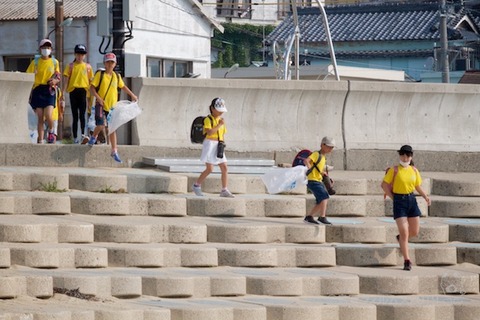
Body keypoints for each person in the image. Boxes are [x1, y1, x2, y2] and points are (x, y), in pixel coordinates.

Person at [381, 145, 431, 271]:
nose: (405, 157)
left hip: (411, 200)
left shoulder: (414, 170)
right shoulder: (394, 170)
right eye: (403, 155)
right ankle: (407, 261)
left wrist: (425, 196)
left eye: (407, 155)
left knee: (414, 231)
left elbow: (417, 185)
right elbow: (384, 185)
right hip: (399, 200)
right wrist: (393, 198)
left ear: (411, 156)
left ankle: (400, 239)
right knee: (404, 232)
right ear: (400, 155)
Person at [89, 52, 137, 163]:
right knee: (100, 125)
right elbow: (92, 88)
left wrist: (132, 95)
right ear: (105, 63)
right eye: (108, 62)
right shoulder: (100, 75)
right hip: (101, 104)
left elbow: (123, 86)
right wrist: (98, 98)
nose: (110, 64)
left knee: (112, 128)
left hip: (112, 107)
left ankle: (114, 150)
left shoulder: (116, 76)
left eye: (112, 62)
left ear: (115, 64)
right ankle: (94, 136)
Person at [192, 97, 234, 198]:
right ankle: (196, 185)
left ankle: (224, 189)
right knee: (210, 168)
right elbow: (209, 132)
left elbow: (223, 133)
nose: (221, 113)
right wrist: (219, 125)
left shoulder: (221, 121)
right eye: (219, 111)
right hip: (210, 144)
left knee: (224, 167)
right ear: (212, 108)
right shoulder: (208, 119)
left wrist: (222, 143)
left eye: (222, 111)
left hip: (218, 144)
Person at [26, 38, 61, 144]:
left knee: (49, 114)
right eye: (44, 47)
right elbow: (28, 75)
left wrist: (54, 81)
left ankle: (51, 130)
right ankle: (41, 140)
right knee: (40, 117)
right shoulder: (35, 62)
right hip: (38, 90)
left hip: (49, 90)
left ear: (51, 49)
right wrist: (34, 74)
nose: (46, 49)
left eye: (48, 47)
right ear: (40, 49)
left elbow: (58, 76)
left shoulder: (54, 62)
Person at [63, 44, 94, 144]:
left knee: (82, 115)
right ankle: (75, 137)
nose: (80, 56)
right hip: (73, 91)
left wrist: (91, 95)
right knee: (75, 116)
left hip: (84, 91)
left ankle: (83, 135)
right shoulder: (70, 66)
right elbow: (66, 79)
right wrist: (63, 92)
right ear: (75, 54)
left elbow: (91, 81)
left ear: (84, 55)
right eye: (78, 54)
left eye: (82, 54)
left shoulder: (88, 66)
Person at [303, 136, 335, 225]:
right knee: (324, 197)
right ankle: (322, 217)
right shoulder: (316, 154)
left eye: (332, 147)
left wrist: (324, 174)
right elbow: (306, 160)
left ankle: (309, 217)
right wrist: (308, 167)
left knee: (320, 200)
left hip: (318, 180)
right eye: (328, 146)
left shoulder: (323, 157)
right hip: (313, 180)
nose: (330, 149)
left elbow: (317, 168)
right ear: (322, 145)